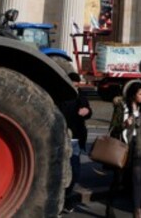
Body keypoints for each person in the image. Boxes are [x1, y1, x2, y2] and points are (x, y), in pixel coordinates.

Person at [105, 83, 141, 218]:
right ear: (133, 94)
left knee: (137, 179)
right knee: (118, 179)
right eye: (140, 94)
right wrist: (124, 124)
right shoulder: (121, 107)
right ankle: (109, 206)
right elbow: (112, 128)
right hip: (124, 147)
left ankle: (136, 211)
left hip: (139, 147)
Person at [60, 72, 92, 212]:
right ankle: (62, 200)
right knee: (63, 171)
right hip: (64, 137)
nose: (76, 87)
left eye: (78, 85)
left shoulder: (81, 96)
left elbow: (89, 111)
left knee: (75, 171)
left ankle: (66, 197)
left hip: (77, 138)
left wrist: (87, 111)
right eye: (74, 84)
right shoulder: (61, 96)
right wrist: (76, 112)